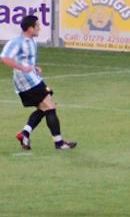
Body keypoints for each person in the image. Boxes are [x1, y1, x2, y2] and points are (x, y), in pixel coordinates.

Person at [0, 15, 77, 151]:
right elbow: (4, 58)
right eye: (37, 26)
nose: (39, 28)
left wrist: (33, 67)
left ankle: (25, 134)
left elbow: (25, 60)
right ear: (30, 28)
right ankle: (59, 143)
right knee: (50, 106)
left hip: (32, 78)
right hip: (27, 82)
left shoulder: (32, 41)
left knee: (44, 108)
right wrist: (23, 68)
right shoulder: (17, 42)